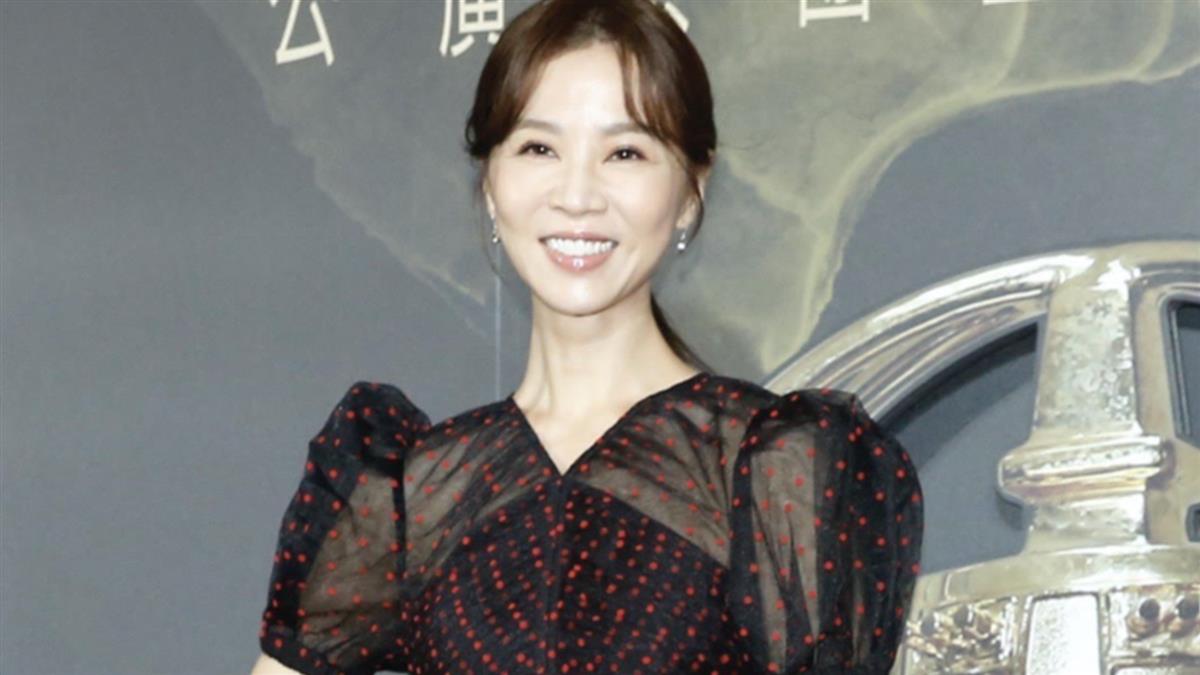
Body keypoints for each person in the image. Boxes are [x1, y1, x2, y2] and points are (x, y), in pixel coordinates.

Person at [251, 0, 922, 673]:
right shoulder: (410, 490)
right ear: (490, 183)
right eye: (539, 148)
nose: (577, 195)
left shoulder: (775, 471)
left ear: (691, 189)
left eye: (624, 152)